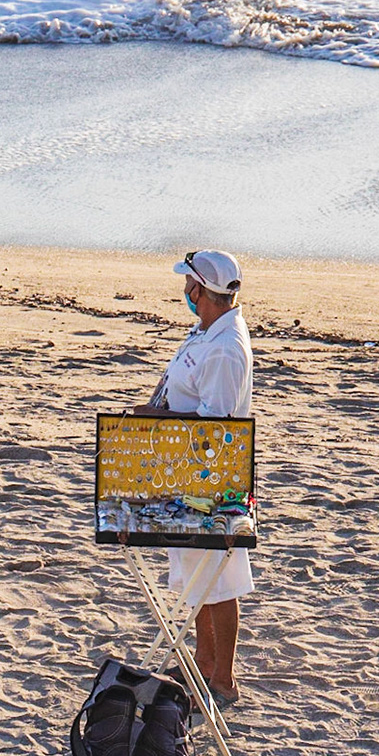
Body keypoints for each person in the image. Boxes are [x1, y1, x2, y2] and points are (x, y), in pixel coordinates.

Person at [140, 249, 253, 704]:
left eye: (188, 284)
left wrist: (159, 420)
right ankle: (204, 664)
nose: (183, 291)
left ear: (200, 290)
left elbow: (216, 428)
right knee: (197, 579)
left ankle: (222, 679)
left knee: (218, 583)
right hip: (185, 472)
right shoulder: (207, 330)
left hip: (210, 480)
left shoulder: (225, 349)